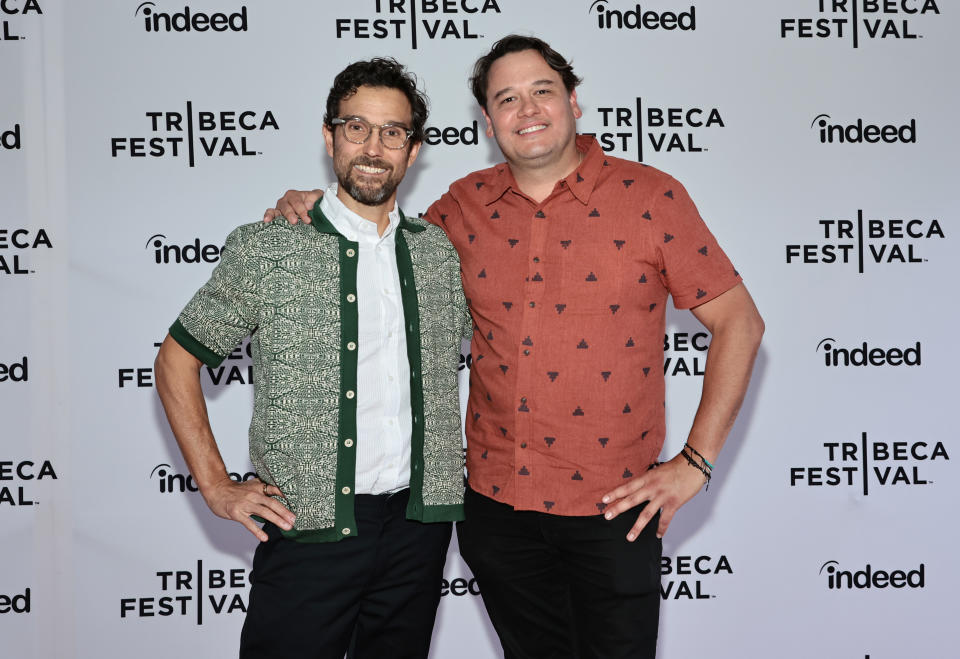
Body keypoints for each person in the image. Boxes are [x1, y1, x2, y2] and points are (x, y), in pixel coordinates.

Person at [268, 36, 764, 659]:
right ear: (487, 120)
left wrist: (694, 463)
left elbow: (739, 324)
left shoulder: (652, 197)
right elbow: (378, 233)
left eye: (542, 91)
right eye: (507, 98)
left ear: (574, 103)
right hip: (495, 514)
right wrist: (313, 206)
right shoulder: (462, 208)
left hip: (613, 512)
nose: (526, 109)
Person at [154, 58, 470, 659]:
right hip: (306, 532)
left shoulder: (439, 254)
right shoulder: (268, 246)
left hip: (418, 531)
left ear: (414, 148)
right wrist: (218, 487)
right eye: (356, 128)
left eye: (393, 132)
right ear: (329, 137)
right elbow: (176, 360)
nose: (373, 147)